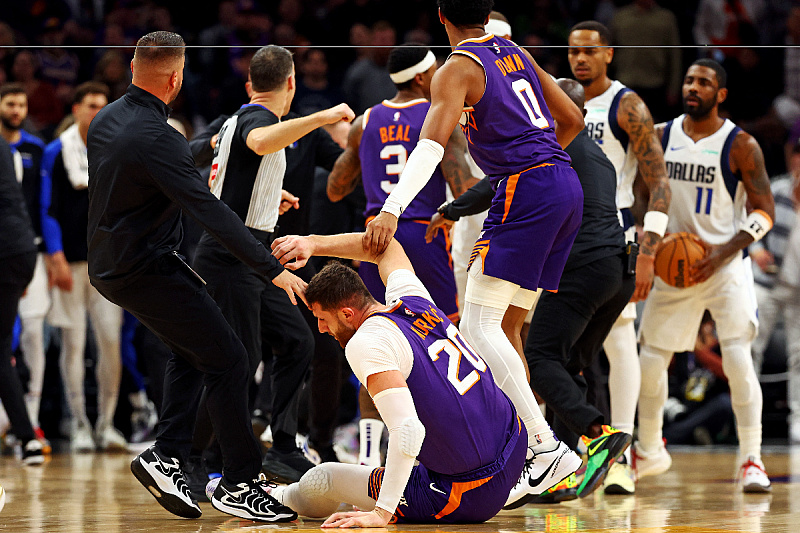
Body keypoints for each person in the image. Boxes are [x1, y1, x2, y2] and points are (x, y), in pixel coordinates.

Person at [363, 0, 586, 507]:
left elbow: (431, 147)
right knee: (503, 327)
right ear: (486, 13)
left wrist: (392, 208)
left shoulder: (457, 68)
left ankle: (546, 446)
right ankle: (526, 447)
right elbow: (571, 117)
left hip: (526, 189)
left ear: (440, 14)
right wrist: (541, 160)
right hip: (562, 185)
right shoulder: (514, 52)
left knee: (478, 327)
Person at [86, 31, 302, 522]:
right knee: (230, 359)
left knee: (195, 350)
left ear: (134, 68)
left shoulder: (107, 119)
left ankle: (168, 454)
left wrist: (263, 196)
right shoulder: (160, 136)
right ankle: (239, 481)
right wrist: (270, 269)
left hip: (112, 262)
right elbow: (210, 211)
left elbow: (157, 175)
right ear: (176, 77)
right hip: (145, 267)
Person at [428, 79, 634, 503]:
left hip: (582, 264)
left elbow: (496, 182)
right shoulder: (599, 154)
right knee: (568, 364)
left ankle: (590, 436)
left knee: (532, 353)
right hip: (616, 270)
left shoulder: (548, 144)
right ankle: (562, 465)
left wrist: (452, 208)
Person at [266, 232, 527, 526]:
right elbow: (385, 246)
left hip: (471, 489)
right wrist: (312, 244)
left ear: (348, 313)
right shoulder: (413, 299)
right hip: (516, 444)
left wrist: (382, 512)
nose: (322, 329)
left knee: (323, 478)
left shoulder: (365, 342)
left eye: (323, 318)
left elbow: (408, 431)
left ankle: (276, 496)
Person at [192, 44, 355, 485]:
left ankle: (282, 446)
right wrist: (323, 117)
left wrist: (267, 199)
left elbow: (228, 178)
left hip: (253, 249)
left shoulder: (234, 121)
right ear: (291, 82)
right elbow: (261, 142)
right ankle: (196, 458)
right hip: (232, 256)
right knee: (234, 363)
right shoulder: (257, 120)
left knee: (297, 341)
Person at [327, 43, 475, 467]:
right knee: (442, 341)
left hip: (373, 239)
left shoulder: (365, 121)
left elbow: (336, 187)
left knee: (370, 344)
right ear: (424, 77)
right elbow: (464, 188)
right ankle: (444, 449)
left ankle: (371, 459)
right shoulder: (439, 115)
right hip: (421, 231)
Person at [636, 59, 774, 493]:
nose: (694, 87)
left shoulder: (741, 144)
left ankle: (751, 458)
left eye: (704, 83)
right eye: (690, 80)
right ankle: (647, 448)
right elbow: (644, 191)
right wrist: (648, 229)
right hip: (674, 267)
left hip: (724, 265)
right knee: (651, 359)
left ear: (721, 94)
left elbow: (765, 210)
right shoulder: (660, 135)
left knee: (736, 356)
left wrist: (725, 251)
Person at [567, 20, 672, 494]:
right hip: (561, 233)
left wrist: (648, 253)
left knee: (619, 340)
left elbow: (660, 185)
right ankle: (567, 452)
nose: (580, 59)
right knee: (558, 346)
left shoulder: (626, 105)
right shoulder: (557, 97)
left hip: (614, 231)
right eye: (573, 52)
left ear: (610, 53)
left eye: (590, 51)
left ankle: (624, 455)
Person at [40, 81, 127, 453]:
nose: (97, 112)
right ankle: (77, 424)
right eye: (91, 105)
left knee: (110, 345)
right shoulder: (55, 151)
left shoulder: (116, 147)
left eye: (103, 106)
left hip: (108, 266)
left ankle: (106, 426)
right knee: (73, 346)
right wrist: (54, 254)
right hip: (71, 264)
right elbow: (47, 207)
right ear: (75, 109)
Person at [0, 83, 49, 447]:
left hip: (10, 250)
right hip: (20, 251)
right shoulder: (5, 146)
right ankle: (25, 433)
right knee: (3, 345)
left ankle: (24, 430)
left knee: (17, 340)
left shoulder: (31, 147)